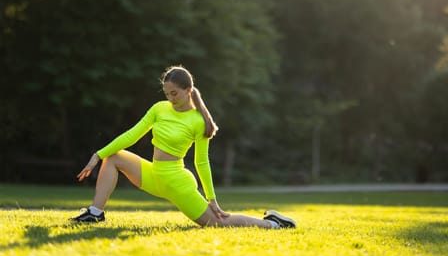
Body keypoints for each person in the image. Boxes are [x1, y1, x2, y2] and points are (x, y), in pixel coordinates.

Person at [70, 65, 296, 229]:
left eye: (174, 93)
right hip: (153, 174)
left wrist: (212, 198)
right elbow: (132, 135)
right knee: (113, 157)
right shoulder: (159, 108)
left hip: (176, 181)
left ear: (188, 90)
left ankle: (274, 224)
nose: (170, 98)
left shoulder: (198, 121)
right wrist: (97, 155)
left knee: (217, 222)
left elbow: (201, 161)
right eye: (167, 93)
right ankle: (95, 213)